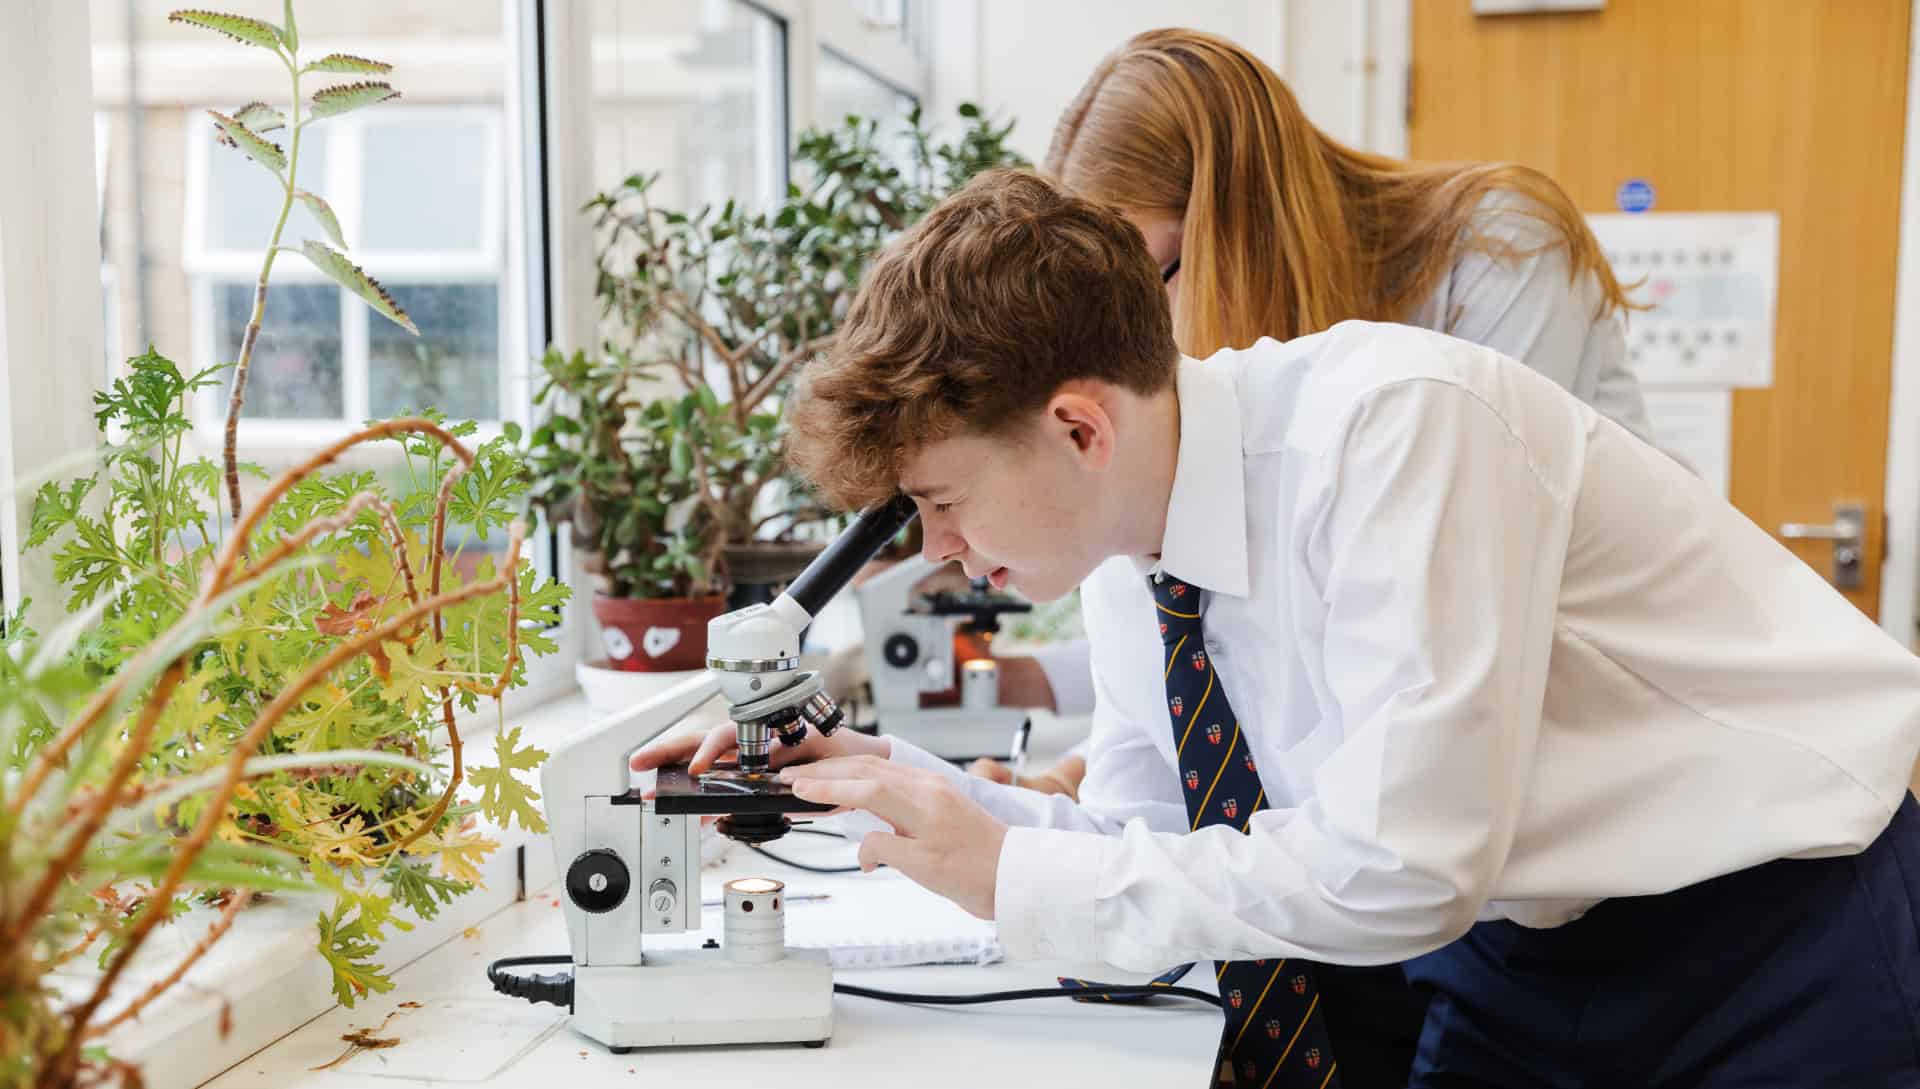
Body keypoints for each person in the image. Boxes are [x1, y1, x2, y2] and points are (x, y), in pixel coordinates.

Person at [632, 169, 1920, 1088]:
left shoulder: (1397, 430)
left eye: (943, 501)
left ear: (1081, 425)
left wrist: (1015, 875)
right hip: (1524, 949)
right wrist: (876, 790)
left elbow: (1405, 863)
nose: (941, 554)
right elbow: (1151, 848)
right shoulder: (1137, 558)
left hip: (1776, 934)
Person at [971, 26, 1655, 802]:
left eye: (1146, 279)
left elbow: (1445, 622)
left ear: (1236, 224)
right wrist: (1089, 778)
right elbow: (1231, 641)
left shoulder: (1498, 254)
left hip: (1618, 760)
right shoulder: (1265, 378)